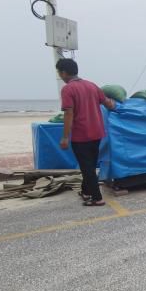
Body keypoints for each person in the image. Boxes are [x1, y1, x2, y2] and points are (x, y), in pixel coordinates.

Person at [57, 58, 115, 206]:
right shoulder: (92, 85)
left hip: (81, 136)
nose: (60, 76)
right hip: (96, 133)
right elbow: (108, 104)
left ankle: (97, 198)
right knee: (90, 165)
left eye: (59, 73)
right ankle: (86, 191)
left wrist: (65, 137)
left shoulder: (68, 89)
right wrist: (115, 104)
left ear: (64, 72)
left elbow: (68, 113)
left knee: (87, 168)